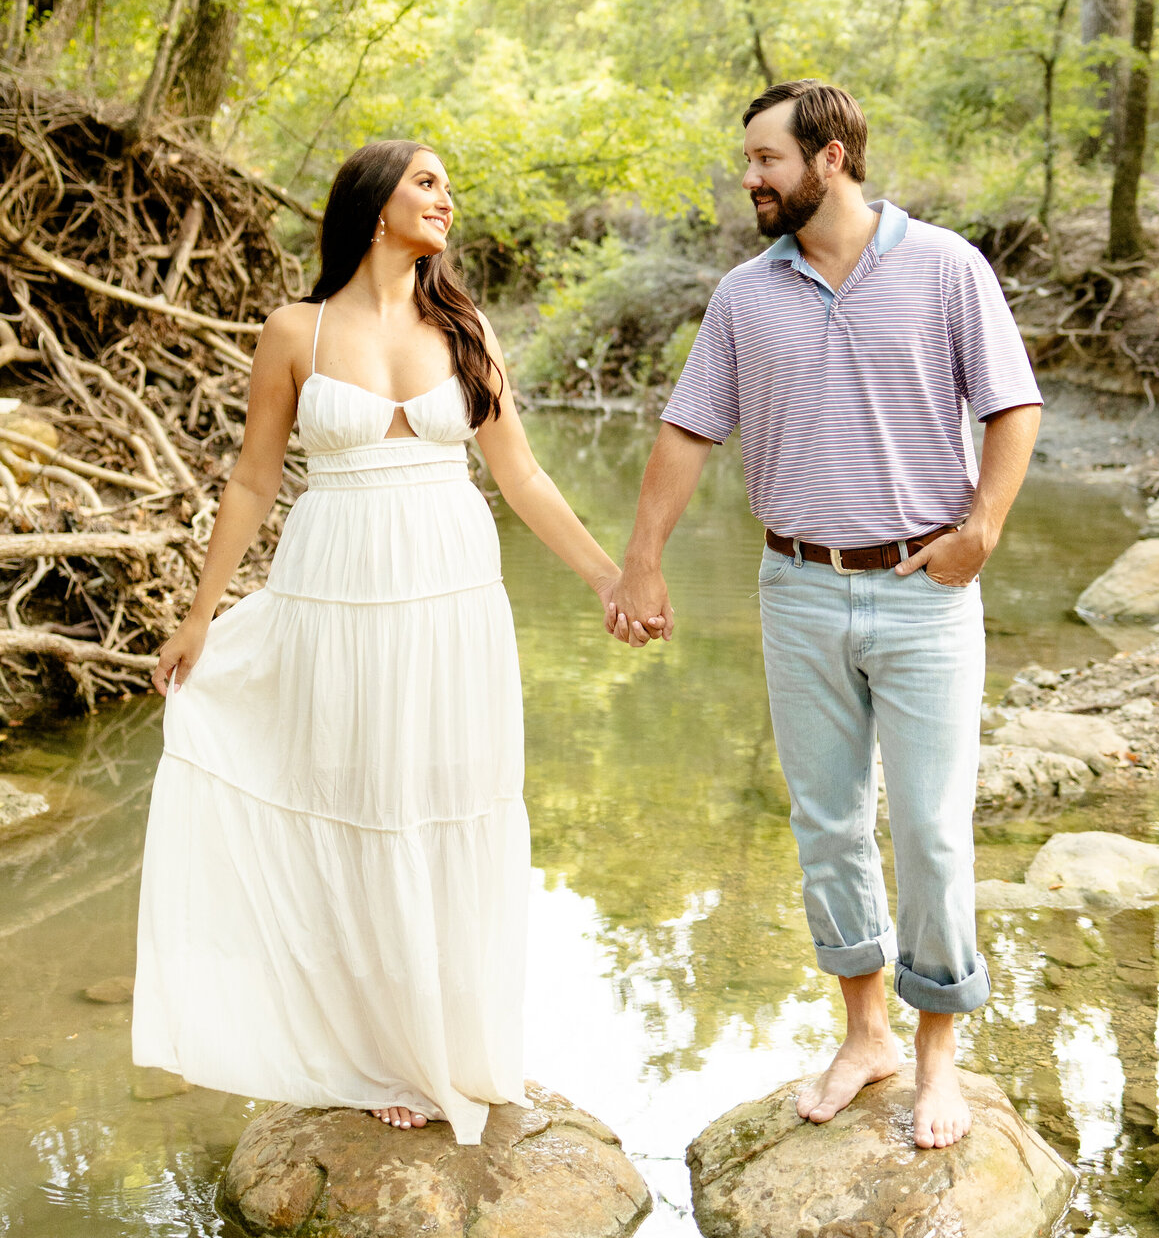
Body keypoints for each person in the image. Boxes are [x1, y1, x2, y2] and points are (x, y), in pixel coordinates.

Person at [133, 138, 624, 1143]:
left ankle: (446, 1042)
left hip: (451, 590)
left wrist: (611, 577)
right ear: (373, 203)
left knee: (446, 801)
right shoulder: (295, 331)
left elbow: (521, 476)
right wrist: (199, 615)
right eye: (428, 181)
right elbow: (253, 483)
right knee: (355, 803)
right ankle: (372, 1051)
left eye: (449, 183)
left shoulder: (465, 328)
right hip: (336, 588)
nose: (448, 198)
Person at [607, 80, 1042, 1150]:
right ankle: (866, 1035)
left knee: (933, 832)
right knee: (828, 825)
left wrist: (982, 526)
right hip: (795, 587)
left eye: (766, 159)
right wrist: (643, 564)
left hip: (923, 592)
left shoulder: (945, 268)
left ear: (832, 157)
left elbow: (1012, 404)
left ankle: (939, 1049)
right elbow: (686, 433)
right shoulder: (746, 297)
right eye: (750, 160)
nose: (748, 178)